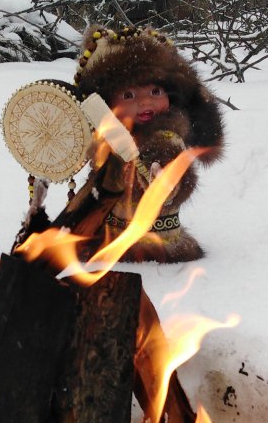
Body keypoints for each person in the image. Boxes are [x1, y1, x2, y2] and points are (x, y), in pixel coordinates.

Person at [74, 24, 225, 263]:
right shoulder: (104, 136)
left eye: (155, 91)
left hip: (154, 243)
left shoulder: (166, 137)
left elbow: (181, 180)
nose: (145, 103)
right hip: (106, 236)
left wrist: (168, 183)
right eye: (129, 95)